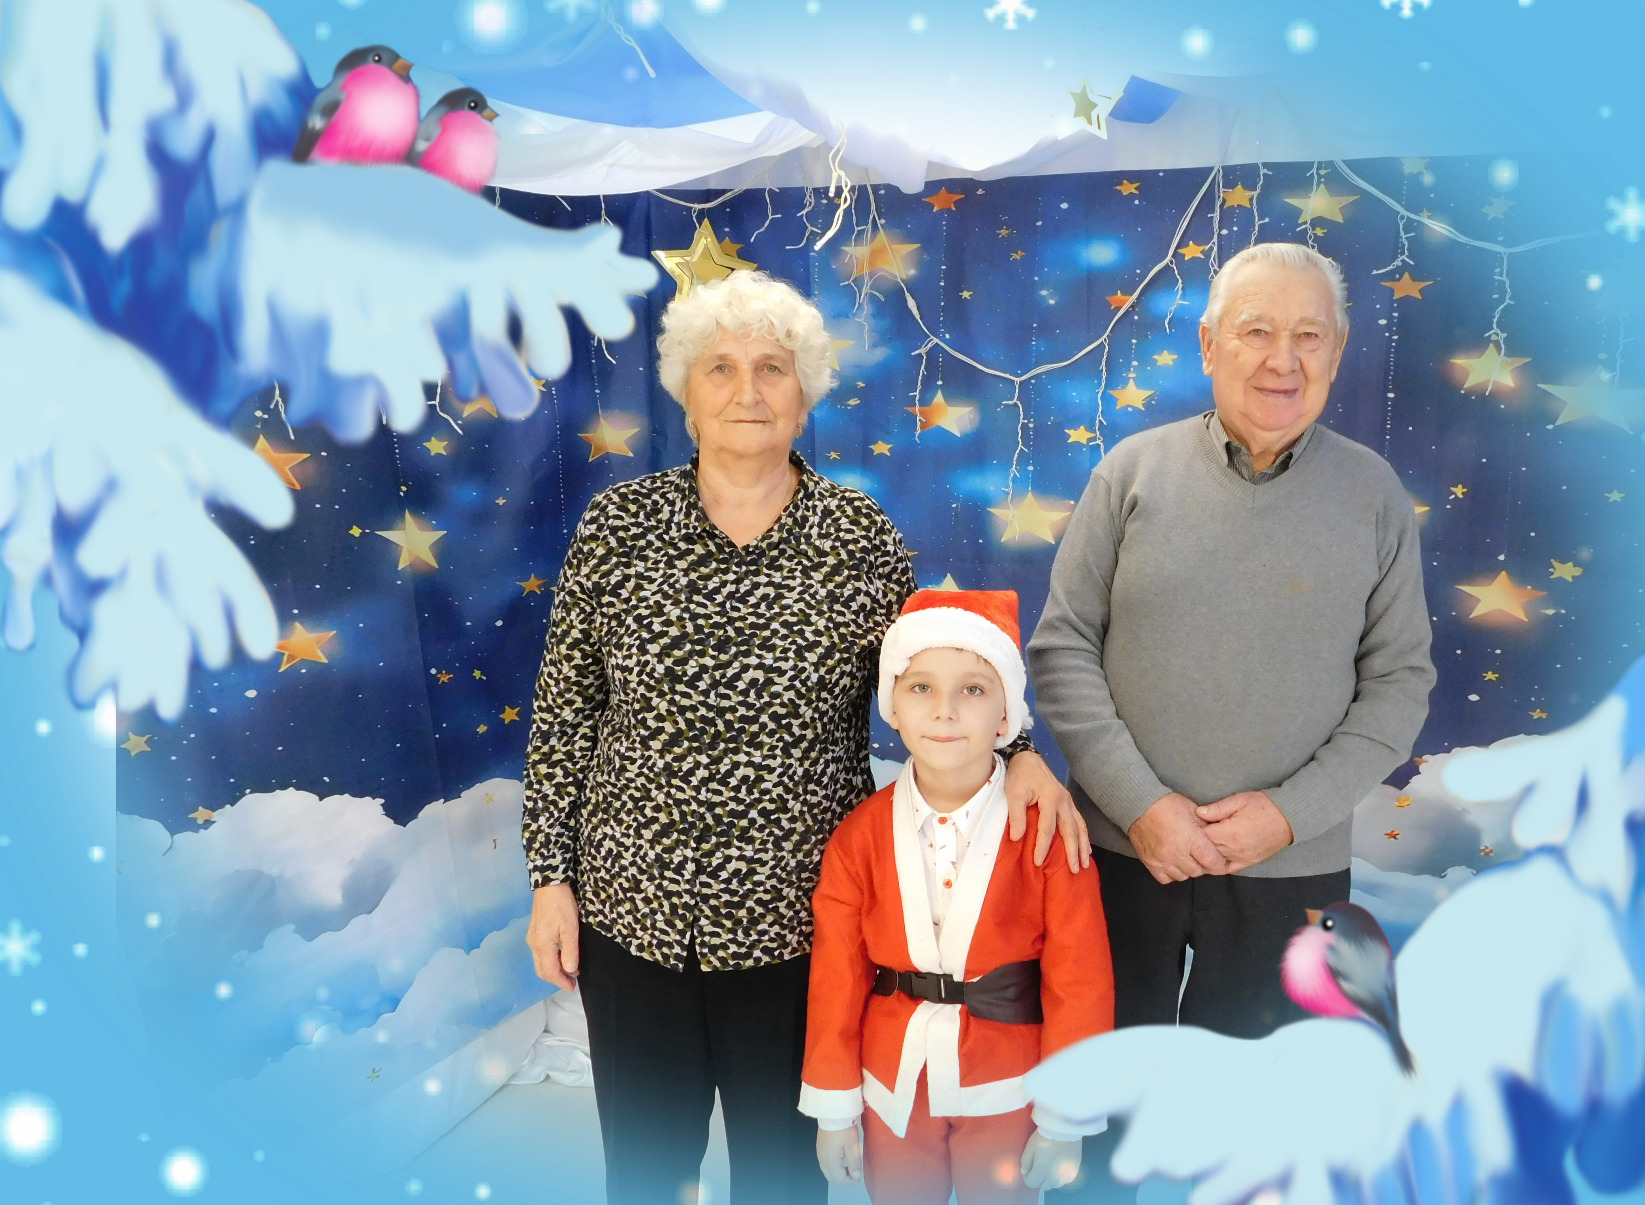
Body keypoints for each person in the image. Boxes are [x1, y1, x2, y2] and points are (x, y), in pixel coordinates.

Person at [520, 270, 1091, 1205]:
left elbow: (936, 672)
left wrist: (1020, 751)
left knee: (785, 1178)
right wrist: (551, 879)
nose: (746, 390)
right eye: (720, 367)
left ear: (805, 391)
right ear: (685, 391)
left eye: (772, 369)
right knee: (647, 1171)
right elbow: (563, 714)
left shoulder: (858, 537)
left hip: (798, 929)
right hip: (633, 913)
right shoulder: (617, 527)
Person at [1027, 241, 1436, 1199]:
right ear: (1209, 344)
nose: (1280, 360)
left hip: (1288, 872)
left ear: (1337, 353)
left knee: (1253, 1125)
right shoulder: (1130, 473)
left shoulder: (1374, 494)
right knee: (1103, 1117)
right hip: (1121, 858)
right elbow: (1061, 647)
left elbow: (1398, 686)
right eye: (1255, 331)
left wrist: (1285, 816)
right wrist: (1140, 806)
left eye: (1308, 336)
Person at [800, 588, 1115, 1204]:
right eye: (921, 688)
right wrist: (834, 1110)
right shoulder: (858, 837)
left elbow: (1081, 980)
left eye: (972, 689)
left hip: (1009, 1089)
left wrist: (1065, 1119)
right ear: (892, 706)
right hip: (893, 1089)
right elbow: (835, 977)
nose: (944, 711)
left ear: (1006, 716)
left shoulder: (1048, 833)